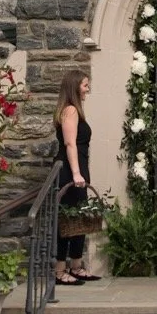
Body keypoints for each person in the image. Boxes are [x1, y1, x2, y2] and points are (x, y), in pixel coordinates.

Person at [54, 69, 99, 286]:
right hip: (71, 172)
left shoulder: (74, 110)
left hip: (78, 169)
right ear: (74, 87)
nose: (87, 89)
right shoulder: (70, 110)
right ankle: (60, 270)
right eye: (84, 85)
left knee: (79, 219)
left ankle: (76, 266)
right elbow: (70, 144)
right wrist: (76, 173)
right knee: (67, 220)